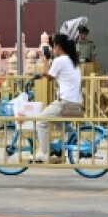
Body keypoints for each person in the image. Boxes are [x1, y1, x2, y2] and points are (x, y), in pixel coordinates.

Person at [34, 33, 83, 162]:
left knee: (41, 121)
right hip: (77, 105)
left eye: (53, 46)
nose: (53, 49)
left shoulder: (60, 60)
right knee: (61, 125)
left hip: (65, 103)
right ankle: (64, 148)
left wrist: (44, 61)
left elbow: (50, 77)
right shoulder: (73, 61)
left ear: (58, 46)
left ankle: (44, 153)